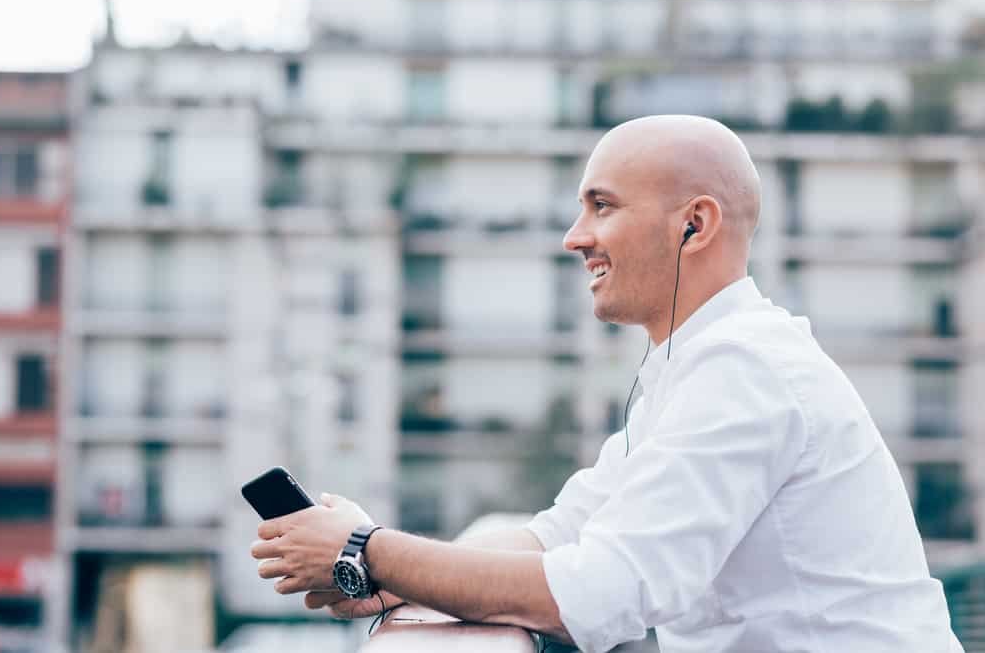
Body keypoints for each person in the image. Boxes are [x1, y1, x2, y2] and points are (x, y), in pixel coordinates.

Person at [251, 115, 963, 652]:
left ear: (694, 224)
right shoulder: (691, 370)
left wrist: (362, 549)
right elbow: (553, 538)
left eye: (601, 206)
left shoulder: (746, 373)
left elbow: (590, 596)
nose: (574, 236)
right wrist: (384, 566)